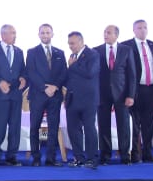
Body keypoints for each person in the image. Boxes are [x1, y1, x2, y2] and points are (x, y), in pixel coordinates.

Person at [24, 24, 68, 166]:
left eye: (48, 32)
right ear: (39, 35)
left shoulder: (60, 52)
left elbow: (64, 73)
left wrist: (55, 87)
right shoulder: (32, 52)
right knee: (34, 127)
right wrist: (44, 88)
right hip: (38, 95)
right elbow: (31, 72)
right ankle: (36, 158)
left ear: (52, 34)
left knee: (53, 128)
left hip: (55, 95)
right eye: (42, 33)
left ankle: (51, 158)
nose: (45, 35)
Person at [0, 24, 27, 166]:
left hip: (15, 94)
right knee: (0, 126)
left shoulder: (19, 51)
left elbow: (23, 70)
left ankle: (11, 156)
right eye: (12, 33)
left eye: (15, 33)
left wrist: (23, 78)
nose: (15, 36)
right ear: (3, 35)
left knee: (15, 127)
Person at [94, 25, 136, 164]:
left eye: (109, 32)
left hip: (122, 94)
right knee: (103, 125)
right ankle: (105, 156)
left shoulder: (126, 50)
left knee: (123, 125)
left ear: (116, 35)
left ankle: (125, 156)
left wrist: (131, 95)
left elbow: (132, 74)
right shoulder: (96, 50)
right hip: (102, 94)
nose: (105, 35)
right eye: (104, 32)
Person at [121, 19, 153, 163]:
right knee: (134, 124)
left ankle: (147, 153)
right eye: (139, 28)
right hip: (135, 91)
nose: (142, 30)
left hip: (152, 90)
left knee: (149, 124)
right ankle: (135, 154)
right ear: (133, 30)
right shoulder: (126, 46)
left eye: (145, 27)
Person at [64, 31, 100, 169]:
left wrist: (73, 65)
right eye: (69, 43)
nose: (70, 46)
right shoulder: (72, 56)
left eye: (72, 43)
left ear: (81, 41)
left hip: (88, 100)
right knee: (73, 130)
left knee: (89, 129)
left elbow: (90, 72)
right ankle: (78, 158)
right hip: (72, 98)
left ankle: (92, 159)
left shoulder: (93, 54)